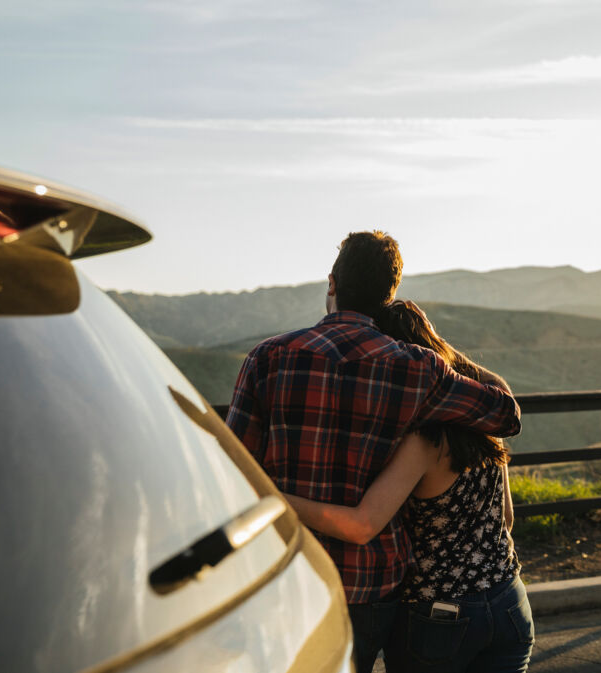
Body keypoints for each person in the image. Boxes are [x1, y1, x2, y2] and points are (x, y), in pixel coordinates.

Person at [225, 231, 521, 673]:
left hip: (289, 572)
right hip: (372, 584)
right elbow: (505, 415)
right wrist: (443, 352)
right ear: (390, 294)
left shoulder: (267, 358)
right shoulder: (419, 369)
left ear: (332, 284)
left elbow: (232, 471)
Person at [284, 299, 533, 673]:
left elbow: (362, 524)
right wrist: (444, 353)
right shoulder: (485, 424)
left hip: (440, 615)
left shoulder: (425, 440)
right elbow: (507, 519)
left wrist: (276, 498)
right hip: (509, 599)